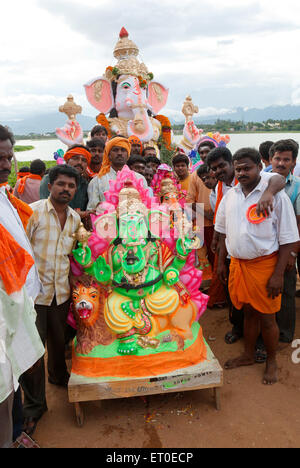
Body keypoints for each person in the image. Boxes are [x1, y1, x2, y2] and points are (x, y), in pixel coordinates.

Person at [215, 147, 299, 385]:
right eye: (238, 168)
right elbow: (222, 232)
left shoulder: (276, 197)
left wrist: (278, 275)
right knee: (248, 312)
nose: (242, 173)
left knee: (267, 318)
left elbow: (290, 239)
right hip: (237, 265)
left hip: (265, 267)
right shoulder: (230, 195)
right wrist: (221, 262)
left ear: (260, 168)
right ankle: (249, 355)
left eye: (247, 168)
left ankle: (271, 362)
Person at [20, 165, 81, 436]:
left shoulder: (74, 219)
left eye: (71, 186)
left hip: (61, 295)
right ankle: (34, 407)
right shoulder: (32, 212)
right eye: (61, 184)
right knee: (33, 352)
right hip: (34, 296)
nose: (66, 189)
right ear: (50, 185)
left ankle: (58, 377)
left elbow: (69, 258)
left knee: (59, 342)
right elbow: (19, 253)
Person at [207, 146, 286, 345]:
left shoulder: (268, 187)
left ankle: (267, 354)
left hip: (262, 263)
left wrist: (268, 193)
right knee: (242, 307)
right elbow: (223, 226)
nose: (218, 171)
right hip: (235, 260)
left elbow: (278, 179)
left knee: (266, 315)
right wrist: (219, 258)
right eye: (214, 168)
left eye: (222, 166)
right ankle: (243, 341)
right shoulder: (225, 191)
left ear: (259, 167)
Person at [270, 139, 300, 344]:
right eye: (277, 158)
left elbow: (299, 224)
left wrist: (292, 254)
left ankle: (285, 333)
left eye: (286, 159)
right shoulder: (260, 179)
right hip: (265, 247)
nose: (281, 163)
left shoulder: (297, 187)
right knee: (267, 288)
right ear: (271, 159)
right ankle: (268, 328)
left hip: (286, 246)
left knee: (287, 288)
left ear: (294, 163)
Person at [87, 136, 148, 211]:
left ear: (128, 155)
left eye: (123, 150)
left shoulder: (140, 179)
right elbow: (92, 211)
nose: (119, 153)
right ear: (108, 155)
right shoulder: (97, 181)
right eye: (115, 150)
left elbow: (146, 207)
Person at [40, 144, 90, 218]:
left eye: (84, 160)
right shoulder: (50, 179)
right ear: (67, 160)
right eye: (75, 158)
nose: (80, 162)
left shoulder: (85, 184)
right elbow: (48, 209)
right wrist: (80, 214)